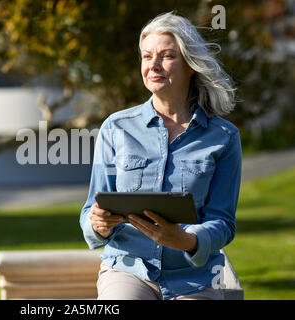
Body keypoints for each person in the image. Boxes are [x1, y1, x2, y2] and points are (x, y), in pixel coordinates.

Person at [79, 12, 242, 300]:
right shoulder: (116, 127)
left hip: (196, 278)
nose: (153, 65)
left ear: (190, 65)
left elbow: (223, 222)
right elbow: (91, 208)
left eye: (166, 56)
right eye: (146, 56)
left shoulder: (224, 137)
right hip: (129, 270)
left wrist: (188, 241)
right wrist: (97, 224)